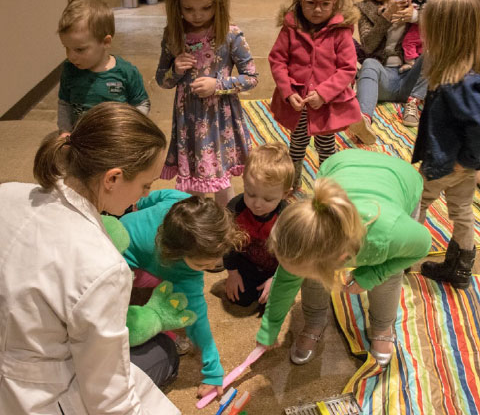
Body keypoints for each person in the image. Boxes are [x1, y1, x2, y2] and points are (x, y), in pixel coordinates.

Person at [0, 103, 179, 414]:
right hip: (34, 397)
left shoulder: (7, 193)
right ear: (112, 179)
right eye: (145, 186)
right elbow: (107, 398)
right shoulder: (102, 266)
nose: (143, 196)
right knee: (163, 353)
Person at [256, 149, 431, 368]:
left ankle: (382, 327)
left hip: (402, 178)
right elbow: (285, 280)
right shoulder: (307, 237)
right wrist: (270, 327)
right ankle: (314, 322)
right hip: (341, 163)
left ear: (341, 257)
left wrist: (371, 275)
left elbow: (422, 245)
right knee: (312, 275)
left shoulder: (386, 235)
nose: (293, 275)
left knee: (388, 275)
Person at [120, 193, 246, 398]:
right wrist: (213, 372)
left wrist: (140, 204)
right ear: (176, 254)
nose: (212, 267)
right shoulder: (182, 271)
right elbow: (198, 320)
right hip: (123, 259)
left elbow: (158, 195)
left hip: (123, 226)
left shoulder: (184, 206)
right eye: (202, 265)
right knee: (125, 302)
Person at [156, 0, 258, 207]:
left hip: (220, 120)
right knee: (193, 184)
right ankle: (196, 227)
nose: (197, 15)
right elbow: (162, 80)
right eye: (188, 8)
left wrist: (219, 85)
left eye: (206, 7)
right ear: (176, 4)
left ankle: (230, 221)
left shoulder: (230, 35)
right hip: (188, 121)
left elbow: (252, 77)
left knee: (222, 181)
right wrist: (176, 71)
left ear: (219, 2)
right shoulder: (173, 35)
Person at [269, 0, 361, 190]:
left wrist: (324, 93)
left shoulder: (341, 31)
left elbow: (348, 68)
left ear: (336, 1)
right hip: (298, 101)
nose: (317, 10)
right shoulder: (291, 28)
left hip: (325, 103)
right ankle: (293, 182)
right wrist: (288, 91)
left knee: (326, 144)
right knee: (297, 142)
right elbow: (277, 59)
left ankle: (326, 185)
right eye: (311, 3)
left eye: (325, 4)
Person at [412, 0, 480, 289]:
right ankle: (461, 268)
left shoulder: (459, 84)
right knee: (462, 210)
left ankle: (399, 258)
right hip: (462, 165)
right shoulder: (465, 75)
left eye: (429, 34)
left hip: (447, 163)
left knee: (416, 203)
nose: (424, 40)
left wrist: (463, 162)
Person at [349, 0, 428, 144]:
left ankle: (413, 102)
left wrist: (414, 17)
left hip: (411, 74)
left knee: (435, 51)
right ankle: (364, 120)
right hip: (384, 77)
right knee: (369, 63)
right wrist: (384, 18)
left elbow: (440, 22)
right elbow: (368, 45)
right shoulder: (365, 8)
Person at [57, 0, 151, 132]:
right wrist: (64, 131)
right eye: (66, 48)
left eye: (79, 49)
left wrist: (130, 127)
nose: (70, 56)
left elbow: (142, 104)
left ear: (105, 42)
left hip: (115, 140)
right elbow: (64, 103)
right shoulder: (69, 70)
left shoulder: (126, 72)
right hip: (81, 138)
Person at [224, 143, 294, 307]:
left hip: (275, 269)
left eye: (268, 199)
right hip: (246, 264)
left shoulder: (287, 217)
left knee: (276, 304)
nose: (257, 204)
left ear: (285, 194)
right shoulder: (235, 208)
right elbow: (227, 245)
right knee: (240, 298)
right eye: (251, 193)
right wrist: (232, 273)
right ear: (243, 181)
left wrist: (276, 279)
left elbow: (291, 256)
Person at [392, 0, 434, 73]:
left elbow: (425, 10)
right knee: (419, 44)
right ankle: (420, 62)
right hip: (421, 25)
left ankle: (410, 62)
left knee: (408, 42)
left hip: (423, 24)